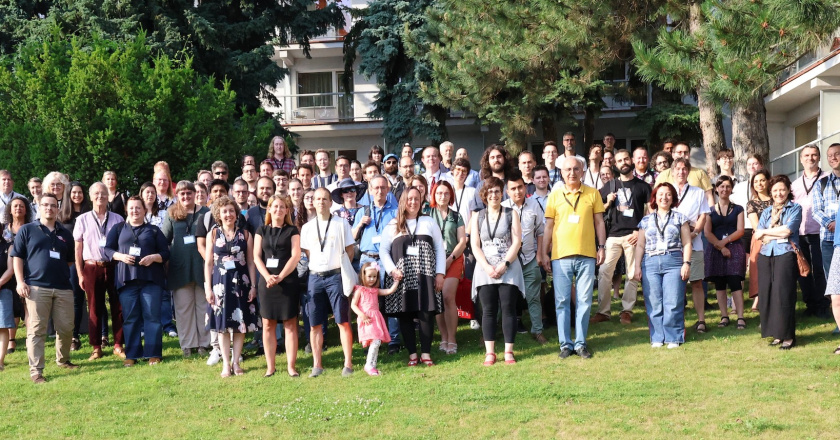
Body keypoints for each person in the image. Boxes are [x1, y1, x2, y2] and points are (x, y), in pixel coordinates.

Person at [540, 157, 606, 360]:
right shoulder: (555, 195)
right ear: (561, 172)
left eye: (576, 169)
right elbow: (548, 227)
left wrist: (601, 246)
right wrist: (544, 252)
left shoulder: (593, 193)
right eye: (568, 169)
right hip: (560, 256)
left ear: (582, 171)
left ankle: (580, 343)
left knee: (585, 301)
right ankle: (565, 344)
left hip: (587, 254)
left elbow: (599, 223)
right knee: (561, 301)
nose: (572, 173)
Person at [12, 193, 78, 383]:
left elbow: (70, 261)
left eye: (53, 205)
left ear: (58, 209)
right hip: (36, 288)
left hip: (63, 288)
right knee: (37, 329)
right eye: (45, 205)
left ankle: (63, 359)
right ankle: (36, 370)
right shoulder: (27, 230)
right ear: (39, 208)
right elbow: (17, 257)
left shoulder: (65, 233)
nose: (49, 208)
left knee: (66, 328)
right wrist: (20, 281)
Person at [380, 187, 446, 367]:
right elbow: (383, 251)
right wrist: (392, 270)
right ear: (403, 201)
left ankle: (425, 353)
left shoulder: (429, 221)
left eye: (417, 198)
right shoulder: (393, 225)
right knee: (405, 314)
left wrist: (440, 273)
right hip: (401, 279)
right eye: (409, 199)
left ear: (421, 200)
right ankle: (412, 354)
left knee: (426, 313)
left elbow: (440, 249)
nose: (413, 202)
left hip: (426, 276)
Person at [103, 196, 169, 366]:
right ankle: (132, 354)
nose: (135, 211)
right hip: (127, 281)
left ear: (144, 210)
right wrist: (120, 256)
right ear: (126, 210)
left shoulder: (153, 230)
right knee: (130, 318)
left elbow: (166, 253)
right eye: (131, 208)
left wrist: (154, 257)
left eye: (138, 208)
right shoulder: (118, 229)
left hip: (151, 281)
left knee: (152, 317)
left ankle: (153, 353)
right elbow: (107, 250)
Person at [299, 188, 356, 377]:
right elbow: (308, 253)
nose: (321, 202)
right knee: (315, 323)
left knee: (342, 321)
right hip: (315, 277)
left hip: (335, 277)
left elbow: (349, 251)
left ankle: (348, 364)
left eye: (325, 199)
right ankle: (317, 365)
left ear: (331, 202)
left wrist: (337, 268)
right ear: (313, 203)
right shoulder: (307, 227)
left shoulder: (341, 224)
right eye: (317, 199)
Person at [592, 149, 651, 325]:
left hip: (634, 235)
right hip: (613, 236)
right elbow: (596, 210)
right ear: (615, 165)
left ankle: (627, 310)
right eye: (619, 160)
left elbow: (650, 214)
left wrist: (639, 232)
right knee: (604, 272)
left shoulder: (643, 186)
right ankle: (603, 311)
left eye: (626, 159)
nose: (623, 162)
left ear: (631, 161)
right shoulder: (609, 186)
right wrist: (608, 201)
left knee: (632, 274)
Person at [204, 196, 260, 377]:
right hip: (220, 285)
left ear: (236, 214)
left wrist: (253, 286)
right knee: (222, 325)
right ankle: (225, 364)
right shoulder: (212, 234)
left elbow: (251, 262)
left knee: (240, 323)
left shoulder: (246, 235)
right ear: (218, 214)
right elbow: (208, 263)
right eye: (224, 211)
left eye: (231, 211)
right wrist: (208, 288)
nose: (228, 214)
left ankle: (236, 362)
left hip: (241, 284)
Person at [632, 182, 692, 348]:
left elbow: (687, 243)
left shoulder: (680, 218)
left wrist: (686, 263)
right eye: (660, 194)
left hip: (673, 261)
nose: (664, 197)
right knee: (654, 302)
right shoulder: (645, 220)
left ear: (672, 198)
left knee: (673, 301)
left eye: (668, 194)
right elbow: (641, 245)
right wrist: (637, 266)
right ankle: (657, 336)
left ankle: (674, 337)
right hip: (650, 262)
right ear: (655, 198)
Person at [73, 182, 126, 360]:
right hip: (91, 266)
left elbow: (122, 244)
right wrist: (80, 274)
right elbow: (78, 249)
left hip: (113, 266)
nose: (100, 196)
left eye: (103, 193)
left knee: (118, 306)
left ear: (108, 196)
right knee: (94, 308)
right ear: (90, 196)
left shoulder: (118, 219)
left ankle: (118, 344)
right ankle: (96, 346)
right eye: (96, 193)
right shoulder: (82, 219)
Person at [352, 175, 401, 355]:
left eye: (383, 188)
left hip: (387, 259)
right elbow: (352, 236)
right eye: (376, 188)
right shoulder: (363, 211)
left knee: (391, 299)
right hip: (367, 260)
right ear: (370, 190)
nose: (380, 191)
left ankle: (393, 340)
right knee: (367, 303)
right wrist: (359, 224)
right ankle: (370, 339)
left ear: (388, 190)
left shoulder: (396, 211)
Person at [162, 181, 211, 357]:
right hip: (179, 268)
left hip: (201, 267)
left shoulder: (206, 213)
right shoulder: (172, 213)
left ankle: (204, 344)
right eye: (182, 194)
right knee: (183, 309)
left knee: (203, 306)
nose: (185, 197)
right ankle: (188, 345)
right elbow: (164, 240)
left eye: (189, 193)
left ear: (194, 193)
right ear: (177, 195)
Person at [255, 195, 301, 377]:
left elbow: (295, 256)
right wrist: (268, 277)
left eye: (282, 207)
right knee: (268, 324)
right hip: (267, 283)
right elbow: (256, 256)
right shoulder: (261, 230)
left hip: (288, 281)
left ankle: (291, 366)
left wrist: (281, 276)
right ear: (269, 209)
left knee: (290, 324)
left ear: (287, 211)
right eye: (275, 206)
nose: (278, 210)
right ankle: (270, 366)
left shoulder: (293, 231)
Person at [754, 175, 802, 350]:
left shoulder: (795, 208)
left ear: (788, 190)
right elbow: (758, 235)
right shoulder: (767, 211)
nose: (778, 193)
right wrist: (773, 231)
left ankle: (788, 336)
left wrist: (769, 232)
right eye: (775, 190)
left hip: (785, 254)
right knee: (767, 295)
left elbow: (787, 231)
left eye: (782, 189)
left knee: (784, 295)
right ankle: (775, 334)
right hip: (766, 255)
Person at [503, 172, 546, 344]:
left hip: (529, 259)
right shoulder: (503, 207)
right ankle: (496, 331)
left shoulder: (534, 205)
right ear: (507, 191)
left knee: (534, 296)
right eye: (513, 188)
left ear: (525, 187)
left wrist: (540, 254)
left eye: (520, 187)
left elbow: (541, 232)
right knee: (505, 298)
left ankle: (537, 330)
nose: (517, 191)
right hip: (509, 262)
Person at [670, 158, 711, 332]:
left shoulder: (698, 192)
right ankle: (676, 321)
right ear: (673, 171)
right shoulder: (666, 190)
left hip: (694, 243)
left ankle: (701, 320)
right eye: (678, 169)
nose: (681, 172)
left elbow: (703, 215)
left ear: (688, 171)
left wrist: (695, 233)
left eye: (684, 169)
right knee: (674, 284)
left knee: (696, 282)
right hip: (672, 245)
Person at [791, 145, 830, 319]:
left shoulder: (828, 178)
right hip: (800, 233)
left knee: (820, 270)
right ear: (801, 159)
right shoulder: (794, 184)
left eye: (814, 155)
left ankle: (823, 304)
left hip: (821, 232)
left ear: (819, 158)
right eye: (806, 155)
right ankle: (810, 304)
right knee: (803, 271)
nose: (810, 158)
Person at [703, 176, 746, 329]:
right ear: (716, 189)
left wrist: (725, 242)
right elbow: (707, 232)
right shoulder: (709, 211)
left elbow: (740, 230)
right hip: (716, 249)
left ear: (731, 189)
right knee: (720, 283)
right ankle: (724, 316)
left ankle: (740, 316)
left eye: (728, 186)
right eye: (721, 186)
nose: (724, 189)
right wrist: (721, 247)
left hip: (734, 247)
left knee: (735, 281)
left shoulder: (739, 209)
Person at [430, 180, 467, 354]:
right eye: (439, 193)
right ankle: (443, 337)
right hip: (434, 261)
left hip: (453, 258)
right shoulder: (427, 215)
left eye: (446, 193)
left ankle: (452, 338)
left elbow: (462, 241)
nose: (442, 196)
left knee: (447, 297)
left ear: (451, 195)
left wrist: (451, 258)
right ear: (434, 195)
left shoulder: (456, 216)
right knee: (438, 299)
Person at [59, 182, 92, 351]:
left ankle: (102, 335)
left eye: (80, 192)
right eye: (74, 192)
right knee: (77, 300)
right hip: (73, 261)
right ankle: (75, 336)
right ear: (69, 195)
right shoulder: (63, 215)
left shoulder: (90, 214)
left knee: (95, 298)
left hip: (91, 259)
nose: (77, 195)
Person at [351, 262, 399, 376]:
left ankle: (372, 365)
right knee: (375, 341)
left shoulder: (375, 291)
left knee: (376, 341)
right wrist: (361, 315)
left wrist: (396, 282)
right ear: (363, 276)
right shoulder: (360, 290)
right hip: (367, 318)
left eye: (375, 276)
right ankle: (369, 365)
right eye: (369, 276)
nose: (372, 279)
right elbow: (353, 305)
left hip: (376, 318)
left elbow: (389, 291)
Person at [3, 196, 32, 354]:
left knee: (28, 305)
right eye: (15, 206)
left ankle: (29, 338)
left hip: (28, 269)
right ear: (10, 210)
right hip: (9, 271)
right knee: (13, 306)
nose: (18, 208)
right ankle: (11, 340)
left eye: (21, 206)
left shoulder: (32, 227)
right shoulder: (5, 229)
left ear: (26, 209)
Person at [812, 143, 840, 305]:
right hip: (829, 239)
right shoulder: (821, 183)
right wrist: (831, 223)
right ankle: (838, 320)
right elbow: (816, 210)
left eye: (837, 154)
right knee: (833, 280)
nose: (833, 158)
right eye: (830, 155)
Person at [654, 142, 714, 207]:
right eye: (679, 152)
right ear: (673, 155)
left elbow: (709, 197)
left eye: (686, 152)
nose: (682, 155)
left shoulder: (699, 173)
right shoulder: (663, 175)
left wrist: (710, 215)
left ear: (689, 154)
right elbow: (655, 197)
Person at [746, 169, 773, 306]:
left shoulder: (777, 199)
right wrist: (769, 235)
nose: (759, 184)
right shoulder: (752, 204)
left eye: (762, 180)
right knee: (760, 274)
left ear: (769, 181)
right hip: (760, 240)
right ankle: (762, 304)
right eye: (756, 181)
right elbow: (756, 226)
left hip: (780, 239)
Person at [474, 144, 513, 210]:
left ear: (505, 159)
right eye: (492, 157)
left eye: (499, 156)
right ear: (488, 162)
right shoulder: (482, 186)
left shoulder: (513, 183)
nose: (496, 160)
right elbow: (478, 211)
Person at [450, 158, 477, 229]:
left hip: (466, 233)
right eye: (458, 169)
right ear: (452, 171)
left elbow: (474, 215)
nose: (460, 173)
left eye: (464, 171)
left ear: (467, 174)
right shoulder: (446, 191)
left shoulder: (473, 192)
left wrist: (467, 234)